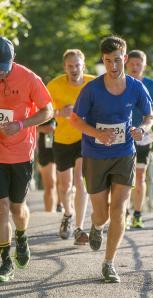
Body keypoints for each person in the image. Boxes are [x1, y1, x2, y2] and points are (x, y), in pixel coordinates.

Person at [70, 35, 153, 283]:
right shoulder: (92, 89)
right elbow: (75, 119)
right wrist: (98, 133)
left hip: (124, 153)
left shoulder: (136, 87)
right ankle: (96, 227)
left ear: (125, 59)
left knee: (119, 210)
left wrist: (143, 129)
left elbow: (149, 117)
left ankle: (109, 264)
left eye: (117, 60)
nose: (113, 66)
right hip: (95, 155)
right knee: (102, 214)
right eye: (108, 61)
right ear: (103, 61)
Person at [0, 37, 53, 282]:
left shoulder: (30, 78)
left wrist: (22, 124)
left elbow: (47, 111)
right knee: (1, 208)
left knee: (17, 209)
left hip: (21, 152)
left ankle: (21, 235)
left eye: (4, 66)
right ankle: (5, 260)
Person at [47, 49, 95, 245]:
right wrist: (60, 112)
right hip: (62, 139)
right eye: (70, 66)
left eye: (77, 65)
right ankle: (67, 214)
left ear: (83, 65)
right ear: (64, 67)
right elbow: (44, 112)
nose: (74, 69)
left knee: (80, 181)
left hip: (85, 138)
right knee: (64, 185)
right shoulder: (54, 85)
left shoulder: (93, 83)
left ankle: (79, 227)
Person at [125, 50, 153, 228]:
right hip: (123, 134)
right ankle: (123, 213)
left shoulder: (150, 85)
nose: (135, 67)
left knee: (140, 176)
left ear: (144, 66)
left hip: (144, 135)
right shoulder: (120, 82)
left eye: (138, 64)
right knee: (123, 177)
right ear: (126, 63)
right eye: (132, 64)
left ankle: (137, 214)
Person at [37, 119, 63, 212]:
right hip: (46, 147)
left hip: (65, 145)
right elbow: (28, 126)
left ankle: (61, 206)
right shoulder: (40, 105)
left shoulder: (67, 105)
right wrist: (42, 128)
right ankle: (49, 214)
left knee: (64, 183)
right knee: (50, 184)